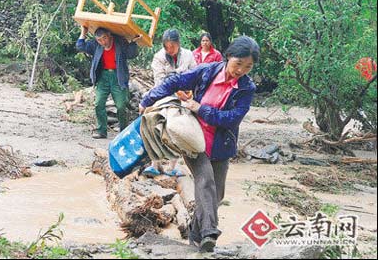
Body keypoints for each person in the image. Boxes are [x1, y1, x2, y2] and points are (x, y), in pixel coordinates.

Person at [139, 36, 260, 252]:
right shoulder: (207, 71)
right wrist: (147, 100)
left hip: (222, 144)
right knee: (205, 181)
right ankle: (210, 232)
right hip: (194, 138)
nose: (241, 70)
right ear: (228, 56)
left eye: (248, 66)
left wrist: (201, 109)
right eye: (238, 63)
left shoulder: (246, 88)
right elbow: (174, 81)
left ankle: (195, 238)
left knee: (217, 195)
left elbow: (232, 118)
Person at [143, 29, 197, 178]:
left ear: (179, 44)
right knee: (157, 128)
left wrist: (186, 90)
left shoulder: (188, 55)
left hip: (184, 99)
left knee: (177, 132)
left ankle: (173, 166)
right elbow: (159, 81)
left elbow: (195, 74)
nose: (169, 49)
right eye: (166, 46)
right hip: (163, 97)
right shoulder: (158, 57)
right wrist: (175, 84)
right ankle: (155, 164)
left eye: (172, 46)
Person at [76, 26, 142, 139]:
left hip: (118, 76)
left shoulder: (120, 42)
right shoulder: (96, 45)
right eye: (99, 40)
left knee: (121, 105)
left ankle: (123, 132)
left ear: (109, 35)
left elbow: (131, 54)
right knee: (98, 103)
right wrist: (83, 32)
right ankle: (102, 130)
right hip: (103, 77)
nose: (103, 42)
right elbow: (80, 46)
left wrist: (133, 43)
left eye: (104, 38)